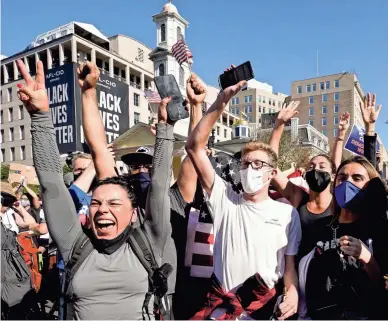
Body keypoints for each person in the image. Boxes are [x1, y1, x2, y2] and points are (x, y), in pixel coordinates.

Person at [16, 58, 174, 319]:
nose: (102, 210)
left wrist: (166, 130)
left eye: (114, 204)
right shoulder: (74, 243)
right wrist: (40, 117)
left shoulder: (149, 241)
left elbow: (158, 185)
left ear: (134, 213)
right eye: (97, 203)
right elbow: (51, 182)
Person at [185, 65, 301, 320]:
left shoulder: (287, 214)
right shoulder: (225, 199)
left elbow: (289, 265)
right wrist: (221, 100)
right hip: (220, 310)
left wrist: (292, 292)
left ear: (272, 173)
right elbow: (194, 146)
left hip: (263, 309)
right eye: (246, 163)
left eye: (258, 164)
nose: (250, 169)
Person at [298, 156, 388, 320]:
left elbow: (381, 284)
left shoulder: (380, 230)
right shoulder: (318, 227)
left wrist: (367, 258)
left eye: (357, 178)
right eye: (342, 178)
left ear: (369, 187)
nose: (347, 183)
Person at [270, 103, 338, 257]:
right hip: (297, 273)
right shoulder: (298, 197)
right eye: (311, 166)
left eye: (322, 166)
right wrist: (279, 125)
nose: (316, 170)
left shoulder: (339, 205)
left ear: (333, 175)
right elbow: (272, 169)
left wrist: (340, 138)